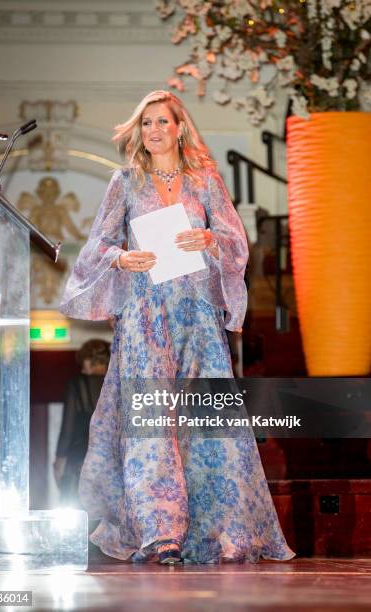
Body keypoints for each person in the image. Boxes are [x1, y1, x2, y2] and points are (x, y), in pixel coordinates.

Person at [60, 90, 295, 564]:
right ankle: (160, 530)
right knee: (151, 423)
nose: (153, 131)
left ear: (179, 128)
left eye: (162, 122)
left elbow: (234, 243)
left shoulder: (204, 182)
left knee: (205, 423)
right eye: (145, 123)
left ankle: (219, 528)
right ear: (139, 132)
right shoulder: (124, 182)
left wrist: (208, 238)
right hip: (146, 318)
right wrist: (122, 256)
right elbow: (95, 250)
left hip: (197, 319)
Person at [53, 339, 110, 506]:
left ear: (88, 360)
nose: (82, 367)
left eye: (82, 362)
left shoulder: (77, 384)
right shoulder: (119, 385)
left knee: (76, 522)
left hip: (80, 462)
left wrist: (58, 464)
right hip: (111, 466)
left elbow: (67, 430)